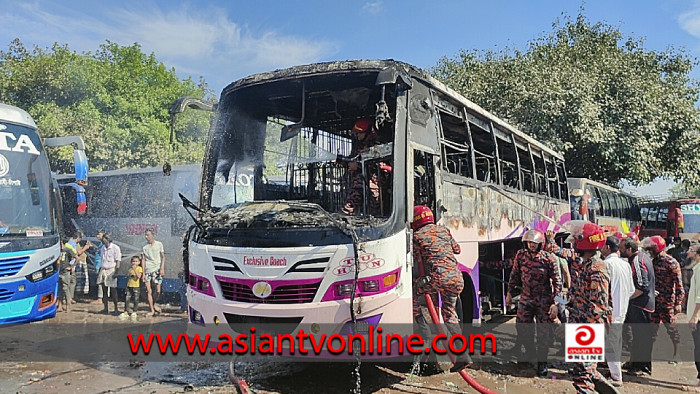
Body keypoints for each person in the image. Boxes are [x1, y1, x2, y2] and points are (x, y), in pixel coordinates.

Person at [550, 221, 616, 394]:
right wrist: (558, 303)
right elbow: (573, 296)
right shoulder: (584, 264)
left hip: (589, 331)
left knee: (582, 378)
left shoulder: (597, 270)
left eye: (575, 242)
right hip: (581, 327)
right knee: (583, 371)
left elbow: (597, 310)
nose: (573, 246)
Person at [411, 205, 468, 373]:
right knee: (450, 315)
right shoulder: (444, 230)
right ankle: (463, 355)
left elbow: (413, 256)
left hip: (439, 279)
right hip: (457, 279)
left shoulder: (417, 236)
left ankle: (423, 329)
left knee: (414, 292)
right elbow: (457, 249)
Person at [505, 229, 561, 376]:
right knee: (522, 327)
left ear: (540, 244)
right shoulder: (521, 256)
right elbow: (515, 274)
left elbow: (558, 284)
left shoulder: (549, 259)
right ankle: (530, 354)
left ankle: (542, 362)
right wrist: (509, 293)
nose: (531, 246)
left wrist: (556, 303)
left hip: (544, 301)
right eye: (529, 243)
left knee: (543, 333)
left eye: (534, 243)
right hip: (526, 298)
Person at [600, 236, 635, 387]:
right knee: (614, 341)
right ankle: (611, 370)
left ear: (607, 247)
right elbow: (631, 290)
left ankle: (616, 377)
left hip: (610, 311)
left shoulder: (605, 264)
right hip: (622, 309)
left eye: (602, 246)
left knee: (611, 343)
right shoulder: (625, 265)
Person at [644, 235, 684, 364]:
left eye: (651, 249)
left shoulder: (671, 262)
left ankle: (677, 353)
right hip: (654, 301)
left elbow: (679, 285)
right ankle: (647, 357)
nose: (649, 252)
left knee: (671, 328)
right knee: (651, 330)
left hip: (667, 302)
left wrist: (678, 303)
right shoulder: (651, 261)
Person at [619, 236, 655, 376]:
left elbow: (642, 286)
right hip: (642, 303)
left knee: (641, 336)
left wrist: (627, 298)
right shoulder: (642, 257)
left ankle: (642, 366)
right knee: (638, 335)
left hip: (641, 304)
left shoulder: (637, 261)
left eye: (622, 249)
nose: (620, 251)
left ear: (629, 249)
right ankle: (635, 362)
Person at [341, 118, 392, 216]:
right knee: (358, 200)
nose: (358, 136)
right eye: (357, 133)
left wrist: (358, 166)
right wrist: (344, 162)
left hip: (375, 183)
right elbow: (354, 159)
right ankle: (349, 210)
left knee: (377, 208)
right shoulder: (360, 146)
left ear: (368, 132)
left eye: (360, 133)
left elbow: (377, 163)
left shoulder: (377, 146)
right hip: (361, 182)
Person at [686, 242, 700, 392]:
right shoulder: (696, 269)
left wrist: (695, 316)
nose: (688, 252)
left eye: (692, 250)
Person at [141, 228, 165, 316]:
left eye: (148, 235)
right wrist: (143, 273)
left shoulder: (159, 244)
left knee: (158, 291)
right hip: (148, 269)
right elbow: (143, 259)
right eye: (145, 235)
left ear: (153, 235)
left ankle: (153, 304)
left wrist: (162, 268)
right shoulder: (143, 246)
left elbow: (163, 257)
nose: (146, 237)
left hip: (157, 269)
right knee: (149, 290)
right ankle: (151, 310)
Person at [97, 233, 121, 314]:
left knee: (113, 290)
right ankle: (105, 308)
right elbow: (102, 259)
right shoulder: (102, 248)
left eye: (105, 239)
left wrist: (116, 272)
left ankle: (116, 308)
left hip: (111, 269)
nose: (103, 241)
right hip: (103, 269)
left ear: (108, 240)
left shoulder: (115, 248)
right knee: (104, 289)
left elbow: (118, 260)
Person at [121, 256, 142, 321]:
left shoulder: (139, 268)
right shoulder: (130, 269)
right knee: (127, 298)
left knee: (136, 299)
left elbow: (138, 276)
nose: (134, 263)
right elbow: (128, 277)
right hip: (129, 285)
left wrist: (135, 269)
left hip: (136, 286)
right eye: (133, 261)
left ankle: (134, 311)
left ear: (139, 262)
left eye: (136, 261)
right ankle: (126, 311)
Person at [57, 246, 76, 312]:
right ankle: (60, 306)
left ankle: (68, 305)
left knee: (65, 288)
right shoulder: (58, 250)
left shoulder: (68, 250)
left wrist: (71, 266)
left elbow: (77, 258)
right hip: (59, 271)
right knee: (60, 289)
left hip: (65, 271)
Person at [91, 230, 105, 305]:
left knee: (100, 282)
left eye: (98, 234)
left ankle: (100, 298)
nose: (97, 236)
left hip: (100, 265)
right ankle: (101, 297)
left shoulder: (104, 244)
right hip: (97, 264)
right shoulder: (100, 244)